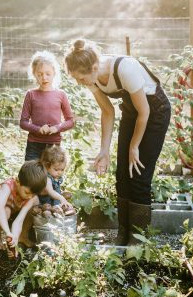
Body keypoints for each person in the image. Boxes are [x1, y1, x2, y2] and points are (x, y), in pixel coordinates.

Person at [64, 39, 171, 245]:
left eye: (81, 78)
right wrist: (104, 150)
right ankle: (124, 233)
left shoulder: (125, 68)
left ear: (94, 67)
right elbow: (107, 111)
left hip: (154, 112)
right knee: (122, 174)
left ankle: (138, 239)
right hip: (133, 113)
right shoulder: (93, 78)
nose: (81, 83)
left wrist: (134, 146)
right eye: (77, 79)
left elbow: (145, 112)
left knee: (138, 174)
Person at [0, 160, 47, 251]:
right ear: (18, 181)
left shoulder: (30, 197)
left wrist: (13, 237)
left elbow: (19, 220)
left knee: (34, 203)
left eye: (33, 194)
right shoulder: (7, 187)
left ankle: (22, 236)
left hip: (12, 215)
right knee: (6, 210)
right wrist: (7, 232)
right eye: (27, 192)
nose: (29, 196)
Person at [20, 51, 75, 161]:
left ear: (54, 72)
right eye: (39, 74)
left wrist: (57, 128)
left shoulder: (61, 95)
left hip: (54, 146)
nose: (44, 77)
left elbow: (70, 121)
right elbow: (23, 122)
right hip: (33, 145)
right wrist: (38, 129)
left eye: (47, 73)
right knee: (32, 176)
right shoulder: (31, 95)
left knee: (52, 177)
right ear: (34, 74)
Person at [37, 145, 74, 211]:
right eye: (56, 170)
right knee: (48, 212)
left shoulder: (55, 176)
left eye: (62, 169)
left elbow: (56, 189)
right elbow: (50, 191)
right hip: (46, 204)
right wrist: (61, 198)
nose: (59, 172)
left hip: (55, 202)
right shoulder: (47, 178)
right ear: (46, 166)